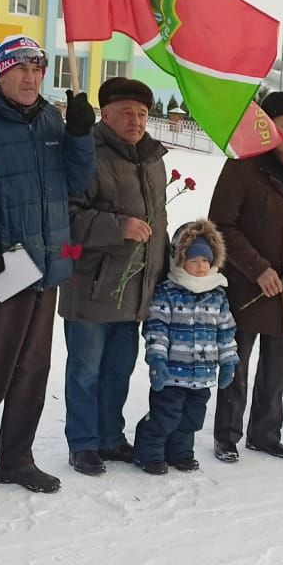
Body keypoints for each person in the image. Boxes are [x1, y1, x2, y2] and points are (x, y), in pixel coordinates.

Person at [0, 36, 95, 508]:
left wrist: (80, 136)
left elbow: (75, 183)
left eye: (38, 69)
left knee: (33, 369)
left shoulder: (50, 119)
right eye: (22, 69)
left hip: (45, 265)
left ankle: (16, 458)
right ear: (1, 72)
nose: (31, 78)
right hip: (1, 265)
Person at [59, 77, 168, 476]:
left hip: (137, 286)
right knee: (86, 370)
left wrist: (164, 268)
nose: (136, 120)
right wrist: (118, 226)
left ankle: (110, 436)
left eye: (141, 113)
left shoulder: (154, 159)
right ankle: (83, 443)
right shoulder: (87, 153)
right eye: (126, 112)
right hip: (91, 283)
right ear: (105, 115)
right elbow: (67, 217)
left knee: (119, 369)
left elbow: (159, 220)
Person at [209, 90, 283, 462]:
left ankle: (265, 432)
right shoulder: (243, 166)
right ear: (268, 128)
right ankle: (227, 436)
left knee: (276, 367)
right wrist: (257, 268)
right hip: (246, 286)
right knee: (236, 365)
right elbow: (222, 225)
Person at [135, 220, 239, 474]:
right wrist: (157, 361)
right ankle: (148, 454)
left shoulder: (217, 295)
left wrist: (228, 362)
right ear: (180, 261)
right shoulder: (168, 292)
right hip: (171, 374)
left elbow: (226, 332)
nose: (201, 266)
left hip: (202, 376)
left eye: (205, 261)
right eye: (194, 261)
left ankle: (180, 453)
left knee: (191, 419)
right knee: (165, 416)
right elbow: (156, 329)